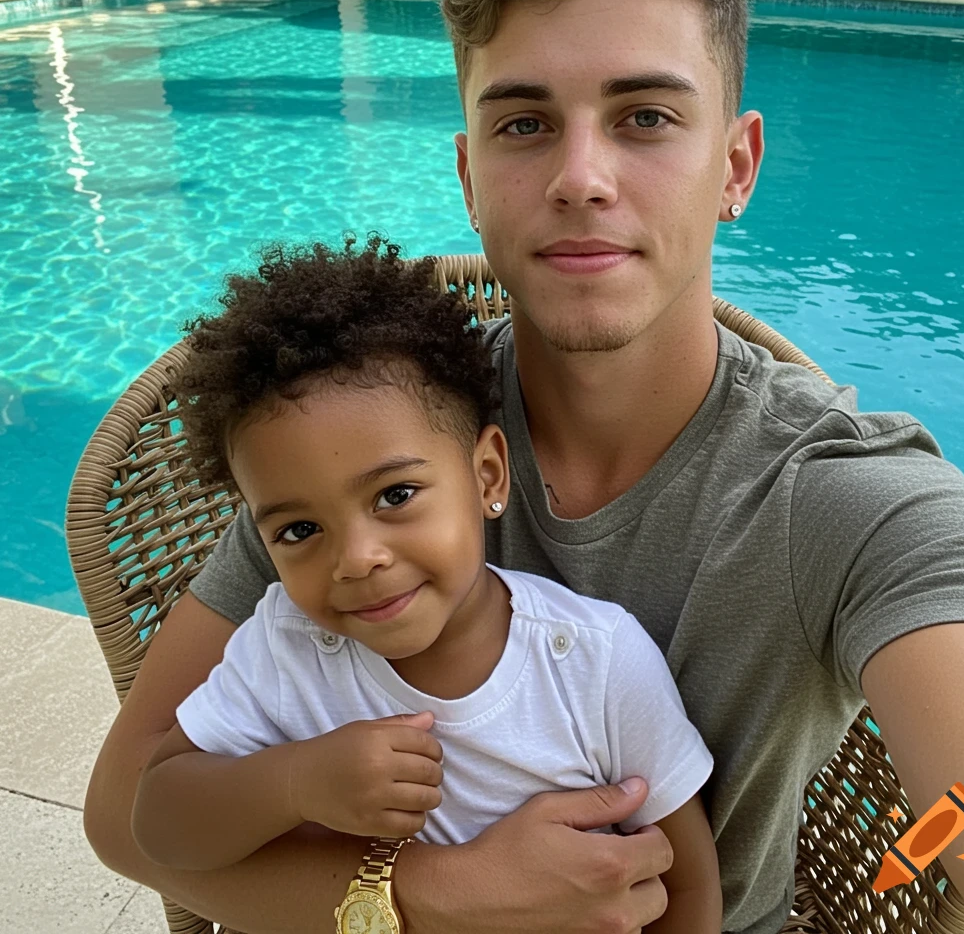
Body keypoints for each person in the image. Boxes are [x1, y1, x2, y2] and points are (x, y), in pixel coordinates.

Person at [82, 0, 964, 931]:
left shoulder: (840, 504)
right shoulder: (365, 441)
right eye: (524, 123)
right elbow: (122, 814)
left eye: (646, 117)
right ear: (468, 177)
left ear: (736, 167)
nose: (581, 177)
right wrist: (434, 895)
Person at [128, 239, 722, 934]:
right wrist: (295, 783)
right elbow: (158, 823)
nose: (356, 557)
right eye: (298, 531)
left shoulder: (596, 662)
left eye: (396, 494)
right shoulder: (286, 650)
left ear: (488, 476)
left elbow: (688, 886)